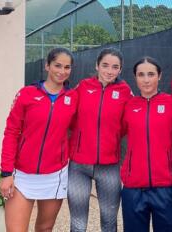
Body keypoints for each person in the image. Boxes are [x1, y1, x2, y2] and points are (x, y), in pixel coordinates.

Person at [0, 47, 77, 232]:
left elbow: (78, 130)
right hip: (22, 175)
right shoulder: (26, 94)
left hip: (55, 175)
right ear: (47, 66)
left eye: (67, 67)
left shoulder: (73, 98)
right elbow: (11, 132)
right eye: (57, 65)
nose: (62, 71)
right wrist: (6, 173)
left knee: (45, 228)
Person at [68, 47, 132, 232]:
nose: (109, 71)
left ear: (120, 70)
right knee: (78, 223)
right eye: (105, 65)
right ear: (97, 65)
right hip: (79, 166)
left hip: (109, 166)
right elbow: (70, 118)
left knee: (109, 221)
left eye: (115, 67)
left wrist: (110, 140)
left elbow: (127, 124)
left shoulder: (125, 91)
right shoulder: (83, 87)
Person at [120, 57, 172, 232]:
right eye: (141, 75)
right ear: (135, 77)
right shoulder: (128, 105)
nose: (146, 80)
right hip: (133, 186)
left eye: (151, 74)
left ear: (159, 76)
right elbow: (113, 133)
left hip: (165, 186)